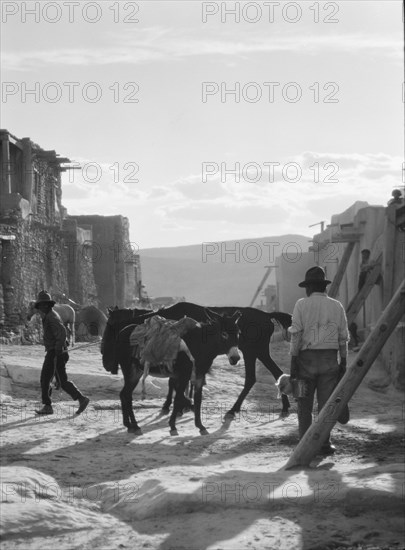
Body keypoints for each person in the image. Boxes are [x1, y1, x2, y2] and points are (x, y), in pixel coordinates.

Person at [289, 267, 349, 455]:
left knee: (303, 404)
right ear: (323, 286)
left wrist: (293, 361)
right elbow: (343, 337)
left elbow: (296, 334)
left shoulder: (301, 304)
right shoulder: (336, 306)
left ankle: (304, 443)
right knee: (326, 405)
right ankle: (324, 443)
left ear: (309, 287)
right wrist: (344, 361)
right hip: (330, 361)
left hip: (304, 362)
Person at [33, 290, 90, 416]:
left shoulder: (51, 317)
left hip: (55, 353)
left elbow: (63, 332)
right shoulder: (48, 316)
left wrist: (58, 349)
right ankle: (81, 399)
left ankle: (48, 406)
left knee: (45, 379)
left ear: (49, 305)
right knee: (61, 381)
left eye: (45, 305)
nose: (42, 307)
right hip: (56, 352)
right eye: (41, 305)